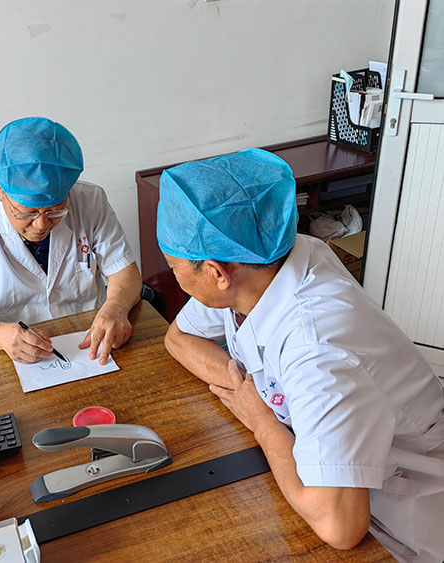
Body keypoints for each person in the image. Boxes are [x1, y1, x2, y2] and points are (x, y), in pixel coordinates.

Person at [157, 148, 444, 562]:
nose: (175, 277)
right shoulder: (262, 263)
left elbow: (340, 527)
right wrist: (245, 387)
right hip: (343, 477)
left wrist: (261, 420)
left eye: (174, 266)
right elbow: (179, 338)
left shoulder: (318, 349)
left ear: (217, 272)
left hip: (408, 523)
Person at [0, 117, 142, 365]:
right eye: (27, 213)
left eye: (54, 211)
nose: (41, 225)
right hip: (4, 354)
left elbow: (124, 271)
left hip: (87, 344)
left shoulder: (90, 201)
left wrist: (116, 306)